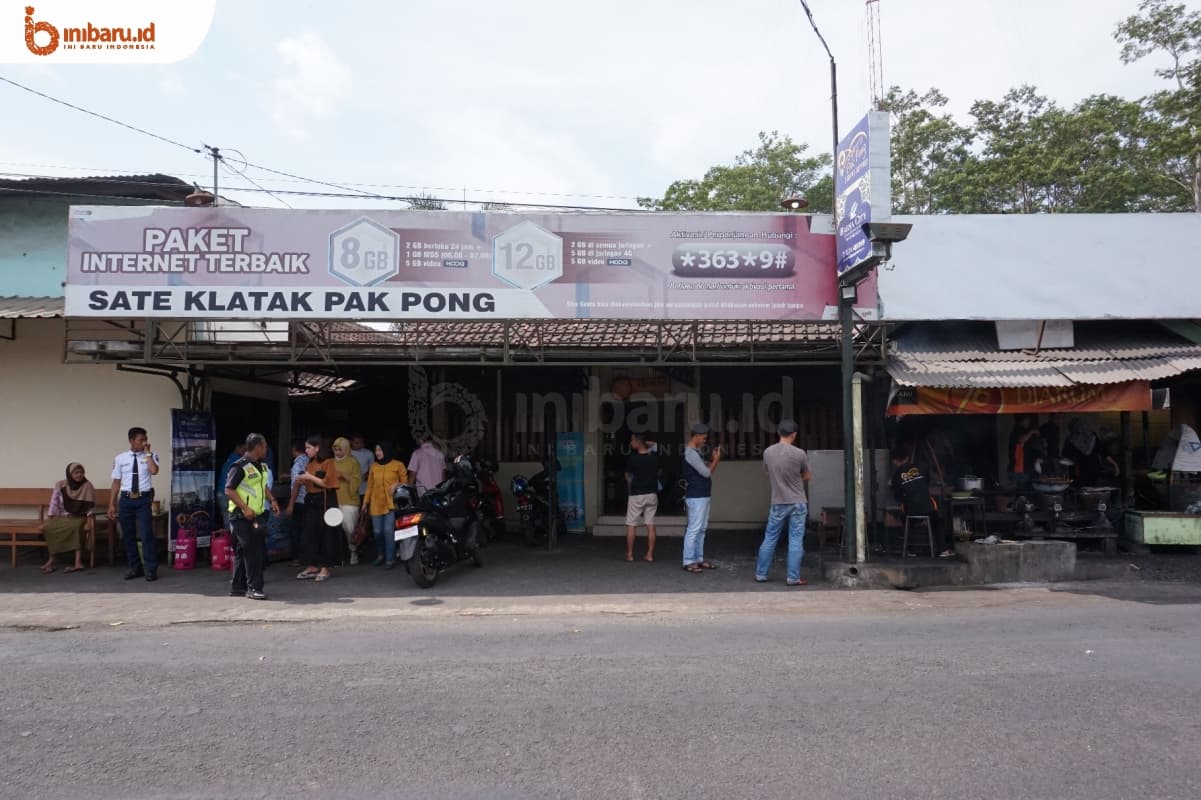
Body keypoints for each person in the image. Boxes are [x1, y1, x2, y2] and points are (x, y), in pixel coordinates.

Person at [754, 420, 812, 586]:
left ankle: (761, 574)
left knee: (770, 538)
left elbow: (767, 472)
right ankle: (793, 577)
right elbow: (807, 475)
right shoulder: (800, 453)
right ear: (794, 435)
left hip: (778, 502)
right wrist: (796, 477)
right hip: (798, 502)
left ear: (779, 432)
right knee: (795, 539)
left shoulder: (768, 452)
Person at [225, 434, 280, 601]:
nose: (266, 449)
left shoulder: (261, 466)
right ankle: (254, 588)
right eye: (264, 446)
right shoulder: (240, 466)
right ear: (257, 446)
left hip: (256, 514)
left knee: (243, 551)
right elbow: (229, 490)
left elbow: (262, 486)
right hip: (241, 515)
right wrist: (245, 508)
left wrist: (272, 500)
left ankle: (237, 587)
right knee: (253, 551)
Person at [107, 426, 160, 582]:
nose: (144, 443)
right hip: (126, 499)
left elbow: (154, 471)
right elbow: (116, 482)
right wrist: (112, 504)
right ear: (131, 441)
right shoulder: (120, 458)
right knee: (128, 535)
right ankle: (134, 567)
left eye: (145, 439)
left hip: (143, 499)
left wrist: (148, 454)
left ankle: (151, 569)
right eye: (140, 440)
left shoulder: (151, 455)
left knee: (146, 534)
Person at [890, 449, 952, 557]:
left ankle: (910, 550)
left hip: (911, 510)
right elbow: (927, 482)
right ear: (907, 458)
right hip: (927, 508)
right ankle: (943, 550)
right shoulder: (921, 468)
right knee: (938, 522)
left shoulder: (896, 476)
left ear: (895, 461)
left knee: (907, 522)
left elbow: (898, 496)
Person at [294, 436, 340, 582]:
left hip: (326, 501)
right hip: (311, 500)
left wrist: (310, 477)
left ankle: (325, 567)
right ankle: (312, 565)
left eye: (308, 447)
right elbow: (309, 483)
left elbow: (328, 483)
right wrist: (302, 479)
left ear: (317, 448)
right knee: (309, 533)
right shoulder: (310, 464)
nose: (306, 450)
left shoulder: (328, 462)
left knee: (326, 534)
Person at [361, 440, 409, 569]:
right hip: (376, 504)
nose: (377, 453)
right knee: (377, 532)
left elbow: (405, 482)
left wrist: (397, 484)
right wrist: (365, 502)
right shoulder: (374, 467)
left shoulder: (398, 465)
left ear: (387, 450)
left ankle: (390, 559)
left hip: (391, 504)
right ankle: (380, 555)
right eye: (376, 450)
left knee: (388, 531)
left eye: (380, 450)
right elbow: (369, 486)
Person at [681, 423, 721, 573]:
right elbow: (706, 473)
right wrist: (716, 459)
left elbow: (704, 469)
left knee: (701, 529)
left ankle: (698, 559)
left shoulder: (695, 452)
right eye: (704, 438)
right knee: (694, 529)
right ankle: (689, 561)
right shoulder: (691, 453)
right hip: (697, 495)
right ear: (696, 437)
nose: (705, 440)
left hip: (702, 495)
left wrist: (711, 461)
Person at [42, 462, 95, 574]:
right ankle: (52, 560)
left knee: (76, 528)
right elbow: (54, 502)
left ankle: (77, 562)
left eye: (81, 472)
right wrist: (50, 518)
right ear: (69, 474)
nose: (79, 475)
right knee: (51, 528)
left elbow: (90, 506)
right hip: (64, 516)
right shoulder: (61, 485)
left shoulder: (87, 485)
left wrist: (89, 521)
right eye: (76, 473)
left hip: (79, 517)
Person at [624, 433, 660, 563]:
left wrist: (629, 489)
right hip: (652, 494)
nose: (630, 443)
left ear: (638, 442)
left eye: (632, 440)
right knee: (650, 524)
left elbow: (627, 476)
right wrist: (643, 442)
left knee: (631, 524)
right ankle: (650, 554)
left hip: (637, 494)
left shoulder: (633, 459)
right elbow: (654, 444)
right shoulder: (654, 456)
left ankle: (629, 554)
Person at [331, 437, 363, 564]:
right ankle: (338, 556)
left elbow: (357, 481)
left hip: (350, 501)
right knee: (334, 529)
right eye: (335, 449)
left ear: (346, 449)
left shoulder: (353, 462)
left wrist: (344, 476)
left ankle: (353, 551)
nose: (337, 452)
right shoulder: (330, 463)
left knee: (349, 529)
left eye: (340, 450)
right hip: (334, 500)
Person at [285, 438, 309, 566]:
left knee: (296, 531)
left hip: (299, 501)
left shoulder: (297, 464)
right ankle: (308, 556)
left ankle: (298, 558)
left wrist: (290, 504)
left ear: (294, 450)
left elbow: (296, 485)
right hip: (309, 499)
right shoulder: (309, 460)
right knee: (307, 530)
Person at [219, 442, 246, 528]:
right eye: (243, 449)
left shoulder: (229, 458)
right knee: (235, 523)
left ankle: (228, 541)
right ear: (237, 447)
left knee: (227, 522)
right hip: (228, 495)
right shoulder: (238, 461)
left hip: (221, 493)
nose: (244, 452)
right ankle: (232, 540)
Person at [350, 434, 373, 503]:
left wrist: (367, 474)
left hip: (364, 487)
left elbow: (372, 469)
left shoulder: (369, 453)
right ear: (351, 442)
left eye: (361, 443)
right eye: (356, 443)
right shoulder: (346, 453)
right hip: (350, 487)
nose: (360, 445)